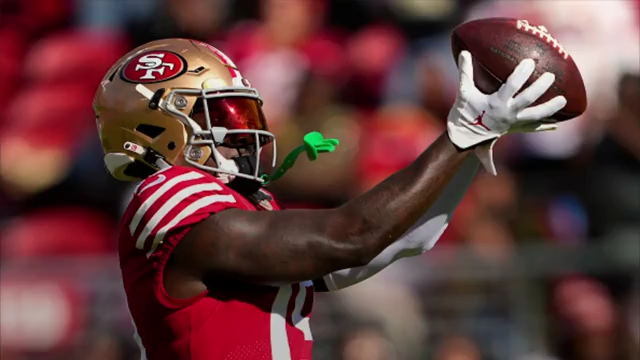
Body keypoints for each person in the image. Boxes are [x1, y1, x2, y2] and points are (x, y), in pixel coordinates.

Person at [93, 38, 566, 360]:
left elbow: (389, 242)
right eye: (225, 113)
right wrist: (462, 133)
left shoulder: (238, 210)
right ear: (159, 127)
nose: (243, 132)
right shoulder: (167, 193)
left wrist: (475, 141)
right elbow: (349, 238)